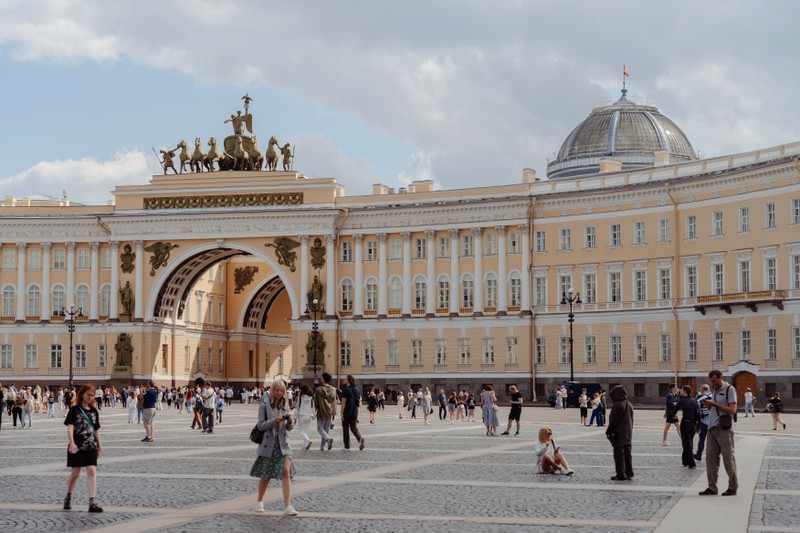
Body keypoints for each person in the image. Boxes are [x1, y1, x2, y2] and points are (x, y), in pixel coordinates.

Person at [251, 379, 298, 516]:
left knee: (286, 473)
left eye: (281, 391)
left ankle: (288, 506)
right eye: (276, 390)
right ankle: (260, 501)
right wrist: (274, 421)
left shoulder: (285, 405)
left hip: (283, 444)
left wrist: (290, 421)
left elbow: (289, 428)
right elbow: (260, 425)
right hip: (269, 443)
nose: (279, 393)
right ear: (272, 391)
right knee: (266, 475)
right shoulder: (264, 406)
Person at [63, 384, 103, 512]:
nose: (90, 397)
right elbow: (70, 427)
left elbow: (96, 430)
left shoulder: (94, 411)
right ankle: (68, 496)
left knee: (92, 471)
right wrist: (72, 442)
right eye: (88, 395)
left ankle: (92, 502)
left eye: (92, 395)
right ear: (82, 394)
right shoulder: (75, 409)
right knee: (75, 473)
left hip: (91, 446)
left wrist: (100, 446)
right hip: (77, 445)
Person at [699, 369, 738, 496]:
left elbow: (732, 410)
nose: (713, 383)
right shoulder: (714, 390)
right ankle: (712, 487)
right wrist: (709, 405)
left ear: (721, 377)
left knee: (728, 459)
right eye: (711, 381)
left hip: (724, 429)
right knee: (710, 459)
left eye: (715, 381)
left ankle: (732, 487)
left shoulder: (729, 389)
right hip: (712, 428)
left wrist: (715, 404)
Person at [606, 385, 634, 481]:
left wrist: (609, 431)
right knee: (628, 454)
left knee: (619, 455)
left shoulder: (617, 405)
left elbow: (613, 421)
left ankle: (621, 474)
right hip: (628, 433)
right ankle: (629, 473)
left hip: (619, 434)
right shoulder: (629, 404)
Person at [339, 374, 365, 451]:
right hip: (355, 411)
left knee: (345, 428)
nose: (344, 380)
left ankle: (347, 446)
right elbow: (358, 401)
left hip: (347, 411)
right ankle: (360, 439)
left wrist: (341, 412)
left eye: (345, 379)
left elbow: (343, 402)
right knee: (353, 427)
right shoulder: (357, 390)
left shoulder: (345, 389)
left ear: (349, 380)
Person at [677, 385, 699, 469]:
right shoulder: (694, 401)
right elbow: (698, 414)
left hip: (685, 423)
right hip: (693, 424)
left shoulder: (682, 401)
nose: (680, 391)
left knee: (687, 443)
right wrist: (698, 425)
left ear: (685, 391)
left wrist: (673, 416)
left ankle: (691, 463)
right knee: (689, 442)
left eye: (682, 390)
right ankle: (685, 460)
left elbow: (674, 411)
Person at [313, 372, 336, 451]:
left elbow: (316, 402)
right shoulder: (333, 389)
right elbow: (333, 401)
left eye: (321, 378)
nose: (320, 379)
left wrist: (315, 410)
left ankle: (328, 439)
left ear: (324, 379)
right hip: (329, 411)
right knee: (326, 430)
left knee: (320, 428)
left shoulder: (318, 389)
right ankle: (322, 447)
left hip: (321, 411)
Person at [294, 383, 315, 450]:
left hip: (302, 415)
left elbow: (297, 407)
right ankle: (304, 446)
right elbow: (313, 407)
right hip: (309, 416)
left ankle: (308, 441)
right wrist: (314, 416)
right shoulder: (311, 397)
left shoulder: (300, 397)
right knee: (305, 432)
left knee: (301, 432)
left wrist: (295, 417)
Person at [694, 384, 712, 462]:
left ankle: (699, 455)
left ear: (702, 389)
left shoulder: (701, 397)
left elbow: (695, 406)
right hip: (713, 421)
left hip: (703, 421)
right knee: (713, 440)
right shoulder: (713, 395)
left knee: (702, 439)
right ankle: (713, 457)